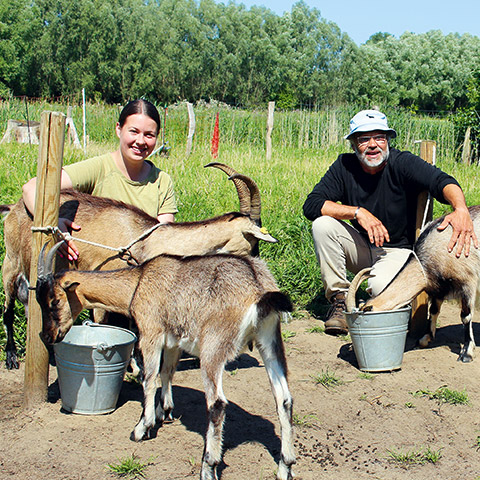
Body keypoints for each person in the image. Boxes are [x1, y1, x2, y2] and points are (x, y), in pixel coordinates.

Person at [303, 109, 478, 335]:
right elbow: (312, 205)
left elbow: (443, 181)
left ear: (387, 140)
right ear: (354, 144)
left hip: (398, 252)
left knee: (380, 290)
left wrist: (461, 208)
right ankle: (339, 300)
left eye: (379, 137)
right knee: (322, 225)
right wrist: (358, 213)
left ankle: (388, 306)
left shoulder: (403, 163)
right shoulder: (344, 166)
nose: (373, 144)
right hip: (362, 247)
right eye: (364, 139)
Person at [22, 99, 178, 261]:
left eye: (149, 135)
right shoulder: (98, 168)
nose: (140, 141)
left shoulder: (162, 181)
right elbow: (32, 188)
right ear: (119, 129)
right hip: (95, 272)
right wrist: (53, 223)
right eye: (133, 131)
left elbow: (163, 238)